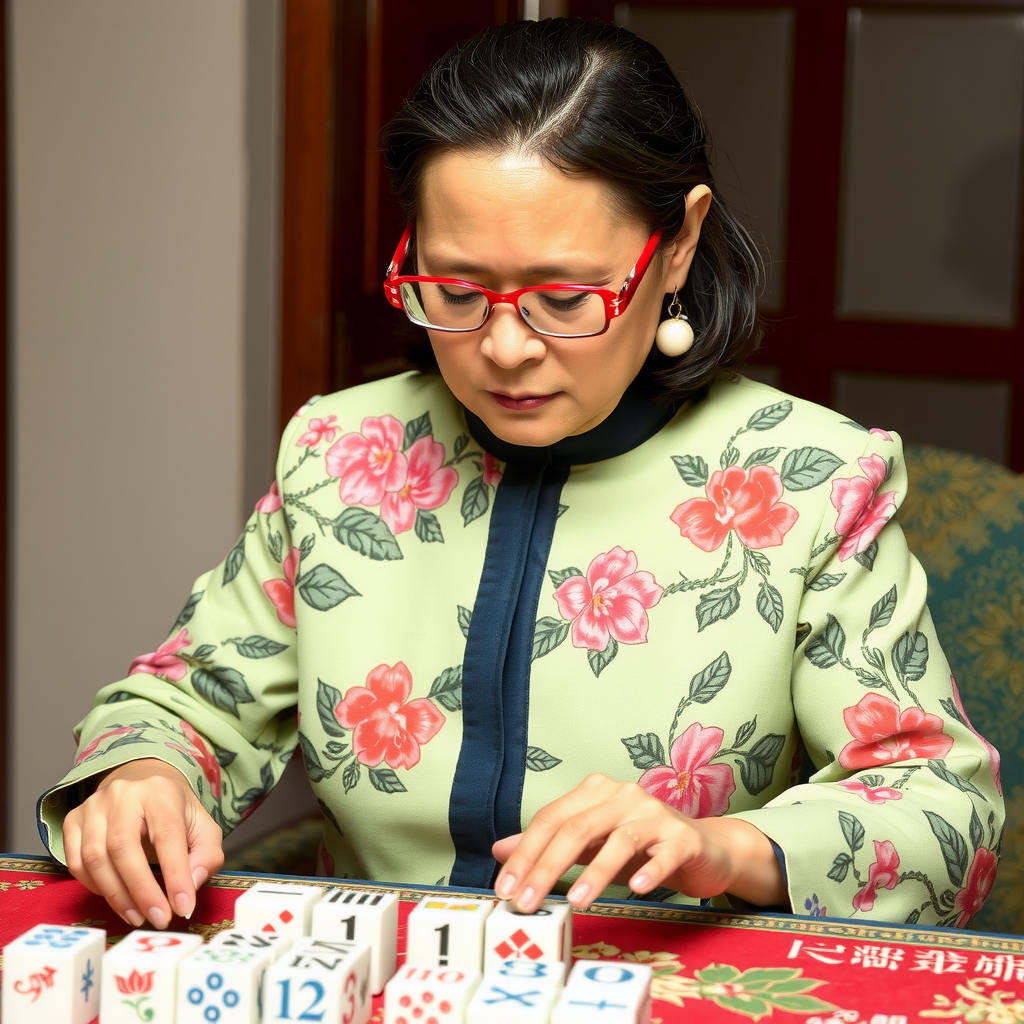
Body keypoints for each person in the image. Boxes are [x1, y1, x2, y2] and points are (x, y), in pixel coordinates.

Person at [40, 17, 1002, 933]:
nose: (503, 348)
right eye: (455, 290)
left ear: (677, 245)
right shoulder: (342, 456)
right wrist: (142, 777)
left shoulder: (812, 482)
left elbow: (940, 809)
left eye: (566, 296)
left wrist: (726, 848)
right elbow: (189, 702)